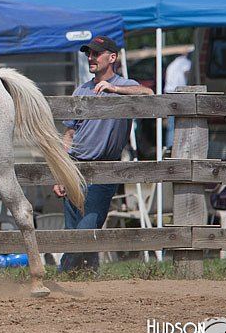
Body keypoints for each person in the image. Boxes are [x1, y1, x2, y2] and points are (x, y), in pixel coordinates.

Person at [53, 35, 153, 272]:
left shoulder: (125, 85)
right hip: (75, 166)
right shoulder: (81, 90)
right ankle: (88, 273)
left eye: (96, 54)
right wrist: (60, 173)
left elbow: (149, 96)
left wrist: (115, 89)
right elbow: (68, 134)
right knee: (75, 229)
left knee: (87, 227)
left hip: (105, 168)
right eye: (89, 54)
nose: (91, 58)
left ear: (112, 57)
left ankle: (62, 273)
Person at [164, 50, 192, 149]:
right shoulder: (186, 62)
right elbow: (187, 72)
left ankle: (169, 146)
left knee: (171, 125)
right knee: (182, 123)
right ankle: (179, 147)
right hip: (179, 93)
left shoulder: (171, 64)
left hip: (169, 93)